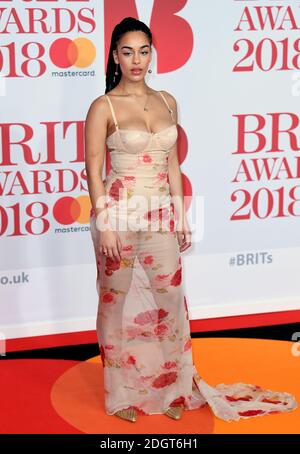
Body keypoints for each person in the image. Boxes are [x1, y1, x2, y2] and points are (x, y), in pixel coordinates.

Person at [84, 17, 298, 423]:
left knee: (170, 302)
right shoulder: (103, 107)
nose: (137, 60)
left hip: (162, 214)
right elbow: (93, 169)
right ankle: (120, 395)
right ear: (114, 55)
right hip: (119, 216)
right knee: (116, 303)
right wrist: (105, 221)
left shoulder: (167, 101)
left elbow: (173, 164)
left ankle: (171, 389)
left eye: (144, 51)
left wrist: (181, 214)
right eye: (127, 51)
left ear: (152, 53)